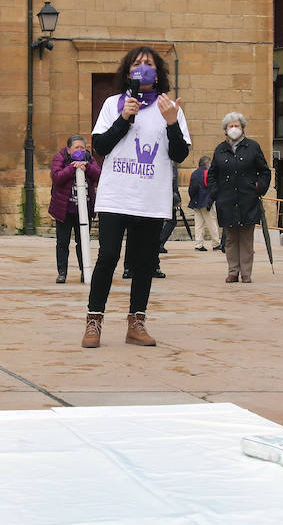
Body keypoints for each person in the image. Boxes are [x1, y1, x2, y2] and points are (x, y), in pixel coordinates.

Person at [82, 45, 191, 348]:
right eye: (137, 63)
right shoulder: (113, 104)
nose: (142, 68)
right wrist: (123, 118)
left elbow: (179, 154)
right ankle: (94, 321)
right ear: (127, 71)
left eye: (148, 63)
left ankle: (136, 323)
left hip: (150, 198)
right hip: (116, 196)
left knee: (144, 262)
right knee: (108, 256)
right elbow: (100, 147)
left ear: (158, 74)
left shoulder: (169, 108)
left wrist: (172, 122)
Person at [208, 111, 270, 284]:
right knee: (230, 239)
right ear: (225, 130)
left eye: (237, 126)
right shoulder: (220, 149)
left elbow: (264, 171)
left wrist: (259, 187)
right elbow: (212, 174)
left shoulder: (253, 147)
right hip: (226, 200)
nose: (234, 129)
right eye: (231, 126)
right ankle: (233, 271)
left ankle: (246, 273)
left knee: (246, 239)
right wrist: (215, 192)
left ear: (243, 128)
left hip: (247, 199)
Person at [50, 135, 99, 284]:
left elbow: (99, 175)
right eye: (76, 147)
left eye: (82, 148)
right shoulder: (60, 158)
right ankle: (62, 272)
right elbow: (57, 177)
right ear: (69, 149)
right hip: (64, 209)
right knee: (62, 242)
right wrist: (72, 168)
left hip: (84, 209)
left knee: (83, 241)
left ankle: (85, 271)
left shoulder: (89, 159)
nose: (80, 150)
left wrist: (87, 168)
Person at [187, 155, 216, 251]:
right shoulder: (208, 173)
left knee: (199, 225)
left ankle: (198, 245)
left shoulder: (194, 173)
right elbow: (212, 189)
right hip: (206, 202)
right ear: (207, 163)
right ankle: (216, 243)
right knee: (211, 223)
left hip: (196, 202)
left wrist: (193, 199)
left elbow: (191, 189)